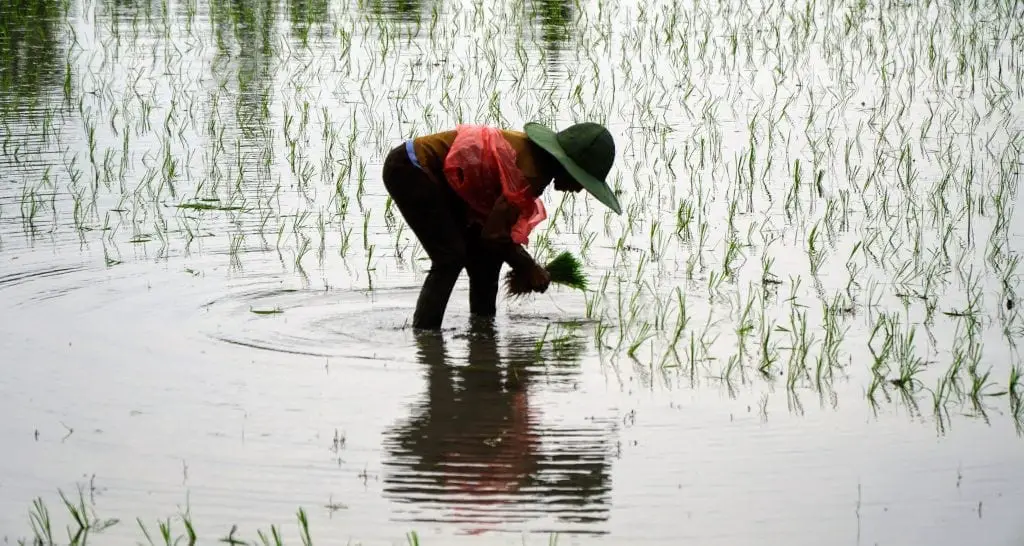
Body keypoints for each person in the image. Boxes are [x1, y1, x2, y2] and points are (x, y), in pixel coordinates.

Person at [382, 121, 621, 330]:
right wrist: (528, 267)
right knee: (450, 257)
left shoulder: (536, 160)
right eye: (581, 180)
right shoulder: (531, 174)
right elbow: (495, 235)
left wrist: (522, 264)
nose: (579, 189)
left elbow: (491, 236)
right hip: (411, 169)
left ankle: (482, 333)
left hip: (439, 181)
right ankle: (426, 340)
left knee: (486, 259)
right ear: (566, 165)